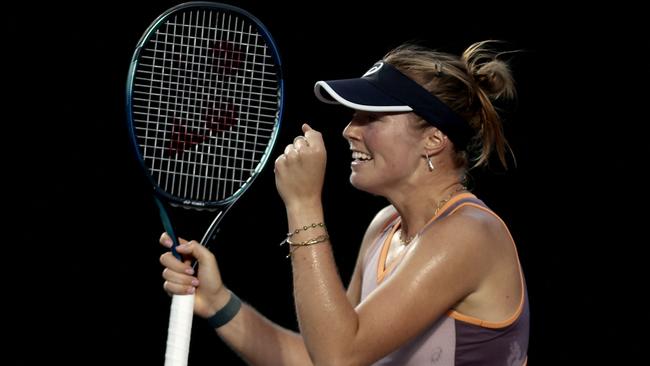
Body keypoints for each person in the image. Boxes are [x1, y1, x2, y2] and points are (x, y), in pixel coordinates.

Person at [159, 40, 529, 365]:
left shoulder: (468, 234)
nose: (349, 130)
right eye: (354, 115)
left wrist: (303, 204)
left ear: (434, 139)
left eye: (372, 117)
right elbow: (319, 355)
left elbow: (339, 357)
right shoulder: (384, 228)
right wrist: (220, 303)